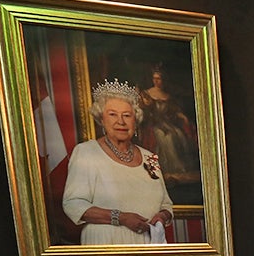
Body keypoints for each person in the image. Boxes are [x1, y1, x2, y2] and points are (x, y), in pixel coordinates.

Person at [62, 79, 174, 245]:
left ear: (135, 121)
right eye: (113, 114)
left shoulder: (149, 157)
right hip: (108, 243)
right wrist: (120, 218)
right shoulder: (87, 152)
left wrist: (162, 216)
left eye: (127, 115)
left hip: (148, 244)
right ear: (101, 119)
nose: (121, 121)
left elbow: (166, 204)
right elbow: (73, 204)